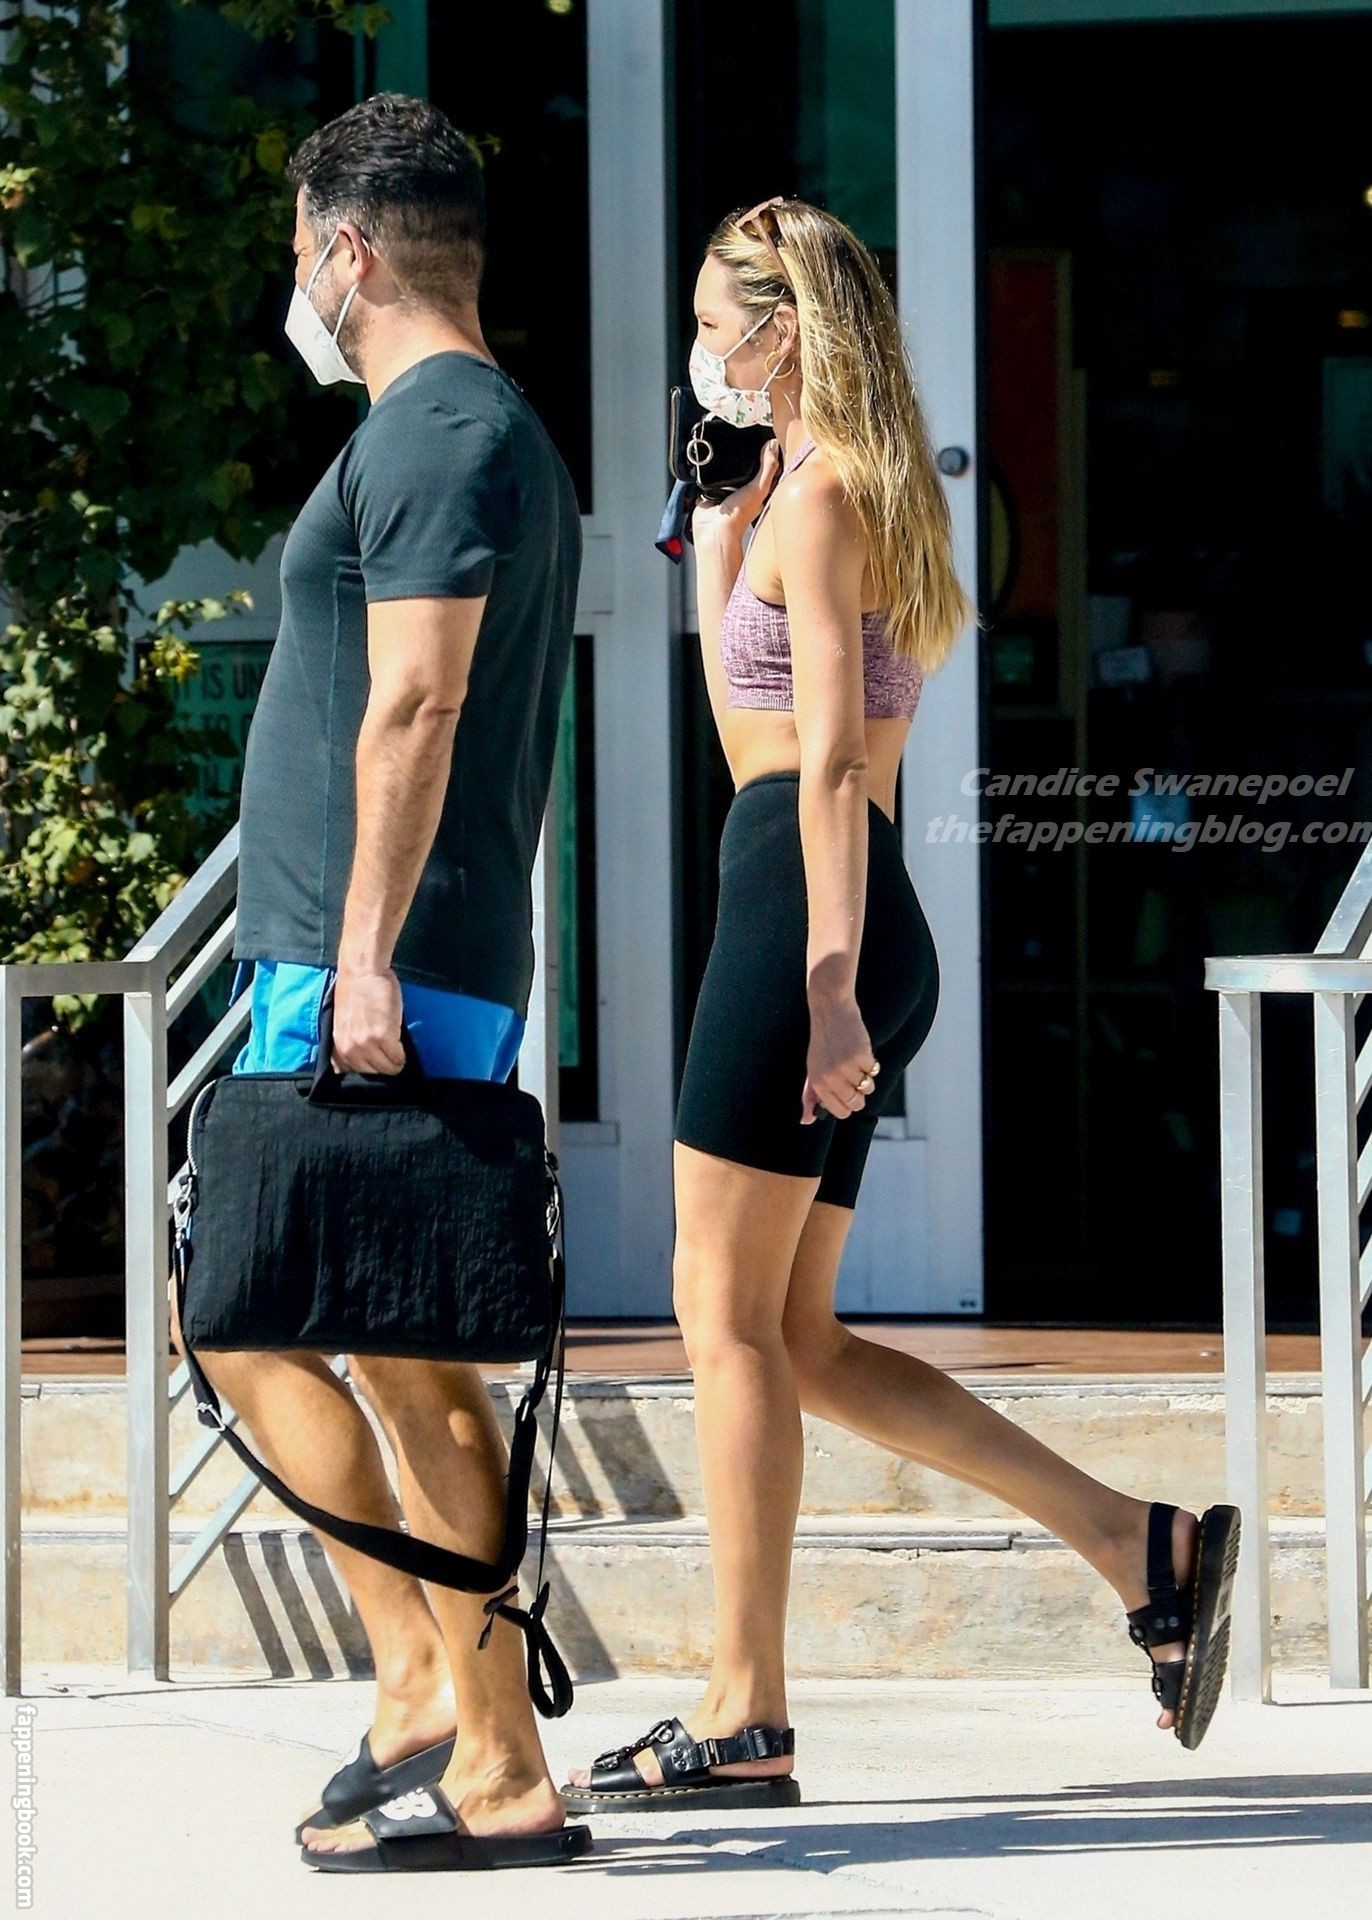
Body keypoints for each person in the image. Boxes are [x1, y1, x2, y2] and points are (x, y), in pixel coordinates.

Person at [563, 196, 1238, 1812]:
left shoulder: (829, 498)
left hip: (808, 916)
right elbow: (753, 717)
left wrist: (824, 986)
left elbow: (827, 768)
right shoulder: (822, 488)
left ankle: (744, 1713)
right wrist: (715, 525)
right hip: (833, 905)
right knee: (796, 1337)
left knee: (723, 1319)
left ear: (784, 330)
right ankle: (1137, 1545)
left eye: (715, 327)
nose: (698, 354)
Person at [167, 93, 589, 1875]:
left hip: (380, 964)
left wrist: (356, 955)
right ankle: (446, 1708)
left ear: (346, 251)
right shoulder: (465, 432)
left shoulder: (443, 433)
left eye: (299, 256)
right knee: (304, 1329)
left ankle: (472, 1737)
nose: (299, 291)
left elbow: (419, 699)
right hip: (359, 953)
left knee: (341, 1340)